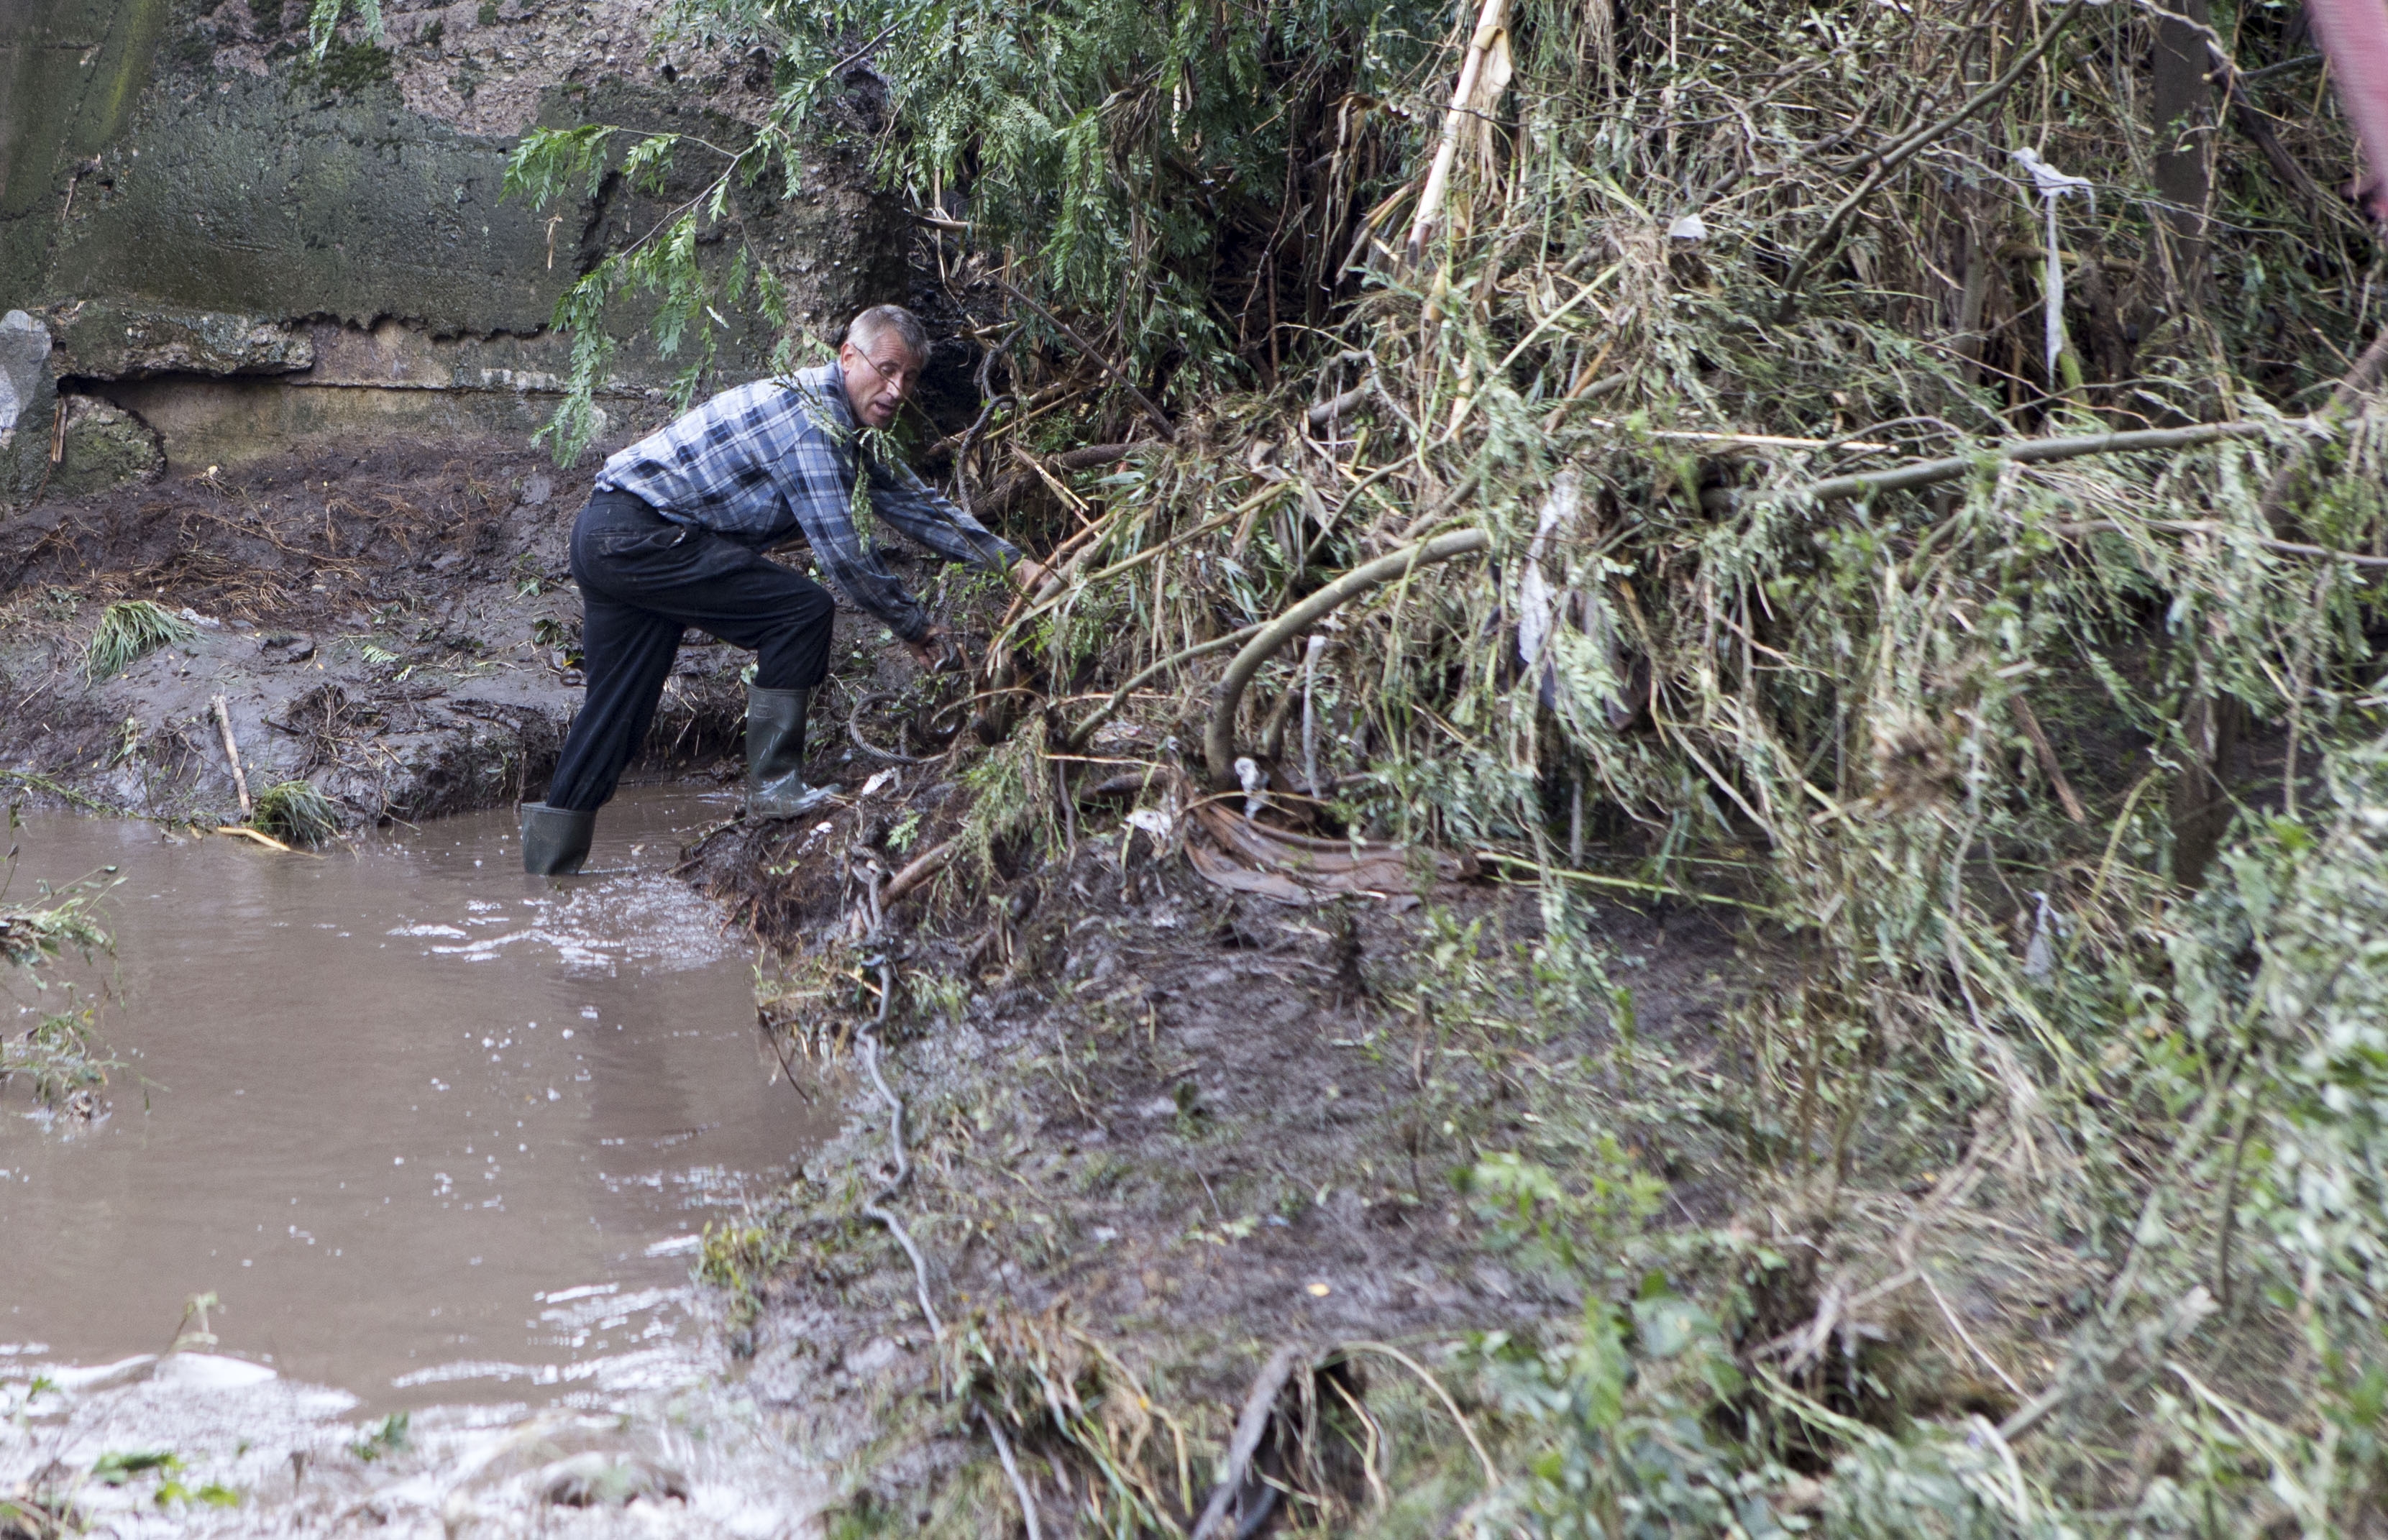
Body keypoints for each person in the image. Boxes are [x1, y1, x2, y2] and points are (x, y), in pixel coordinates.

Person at [518, 304, 1049, 875]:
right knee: (800, 611)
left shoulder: (844, 424)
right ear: (849, 356)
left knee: (616, 713)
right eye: (887, 369)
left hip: (610, 535)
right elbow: (843, 554)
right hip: (635, 537)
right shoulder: (809, 422)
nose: (897, 390)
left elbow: (913, 504)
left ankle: (545, 878)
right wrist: (914, 627)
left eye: (910, 377)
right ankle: (774, 788)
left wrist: (1012, 565)